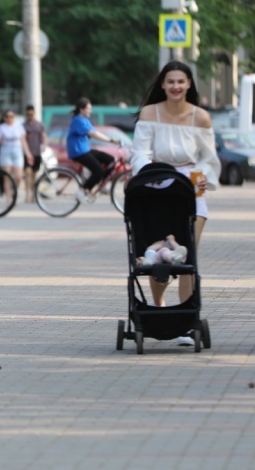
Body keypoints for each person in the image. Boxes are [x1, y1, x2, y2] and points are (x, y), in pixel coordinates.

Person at [131, 61, 220, 341]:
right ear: (162, 84)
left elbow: (208, 158)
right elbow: (140, 153)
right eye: (170, 81)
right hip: (156, 185)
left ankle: (185, 319)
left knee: (187, 255)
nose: (176, 86)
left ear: (189, 84)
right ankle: (159, 308)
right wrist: (148, 174)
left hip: (189, 188)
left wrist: (203, 177)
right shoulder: (150, 113)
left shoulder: (201, 117)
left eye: (181, 81)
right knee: (158, 254)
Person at [66, 98, 121, 202]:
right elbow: (92, 134)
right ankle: (82, 191)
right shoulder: (78, 120)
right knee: (98, 170)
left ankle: (102, 184)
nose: (90, 111)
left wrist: (111, 139)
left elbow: (96, 132)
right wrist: (110, 140)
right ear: (81, 109)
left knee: (111, 160)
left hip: (85, 150)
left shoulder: (85, 120)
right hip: (78, 152)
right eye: (88, 109)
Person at [0, 109, 34, 200]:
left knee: (18, 176)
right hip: (5, 152)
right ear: (4, 118)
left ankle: (14, 191)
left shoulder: (19, 127)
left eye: (11, 117)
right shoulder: (1, 128)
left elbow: (24, 142)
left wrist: (28, 154)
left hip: (17, 151)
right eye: (7, 117)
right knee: (7, 176)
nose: (9, 119)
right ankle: (8, 198)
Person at [22, 105, 47, 203]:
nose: (30, 116)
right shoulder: (23, 126)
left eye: (31, 114)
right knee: (27, 173)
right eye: (28, 115)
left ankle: (33, 194)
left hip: (37, 153)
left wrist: (44, 145)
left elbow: (44, 136)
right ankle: (27, 194)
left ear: (34, 113)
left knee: (34, 175)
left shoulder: (39, 125)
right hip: (27, 153)